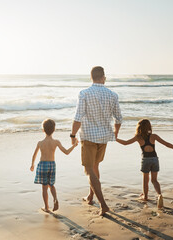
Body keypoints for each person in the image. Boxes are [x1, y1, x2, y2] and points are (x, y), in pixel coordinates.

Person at [70, 66, 122, 216]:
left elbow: (78, 117)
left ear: (91, 77)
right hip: (104, 137)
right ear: (103, 77)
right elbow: (118, 118)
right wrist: (115, 133)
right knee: (94, 166)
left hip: (89, 137)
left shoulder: (84, 93)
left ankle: (103, 205)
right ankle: (91, 196)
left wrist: (73, 135)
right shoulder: (112, 95)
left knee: (88, 170)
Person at [116, 119, 173, 208]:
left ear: (139, 128)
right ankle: (159, 195)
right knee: (154, 180)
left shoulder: (138, 137)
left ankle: (145, 196)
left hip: (145, 160)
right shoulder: (154, 136)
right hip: (155, 159)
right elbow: (166, 144)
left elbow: (125, 143)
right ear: (149, 127)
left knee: (145, 180)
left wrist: (115, 138)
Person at [30, 119, 78, 213]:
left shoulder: (40, 143)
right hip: (52, 165)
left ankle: (47, 207)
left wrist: (32, 164)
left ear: (43, 130)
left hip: (42, 165)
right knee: (51, 185)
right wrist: (74, 145)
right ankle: (55, 199)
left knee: (44, 187)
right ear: (54, 130)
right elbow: (66, 152)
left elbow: (34, 155)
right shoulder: (56, 142)